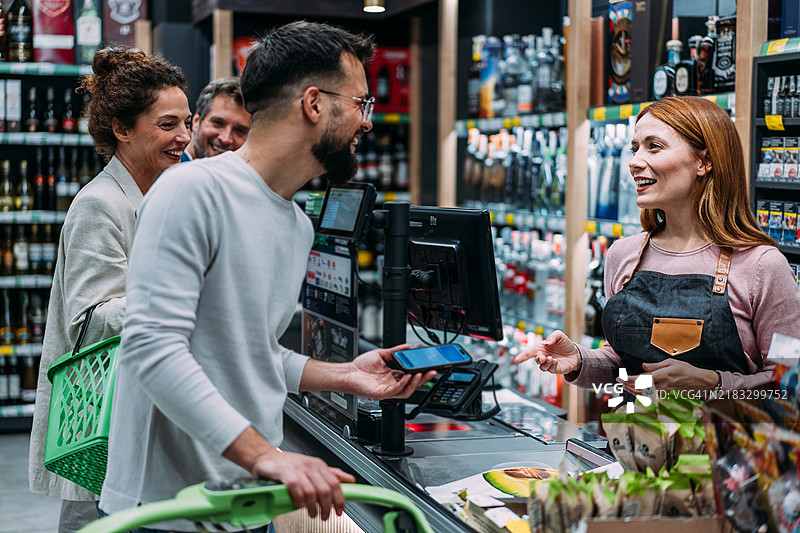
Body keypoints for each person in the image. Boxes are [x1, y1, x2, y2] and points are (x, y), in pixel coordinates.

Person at [98, 21, 435, 533]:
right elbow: (152, 347)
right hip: (165, 510)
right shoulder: (192, 190)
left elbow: (245, 353)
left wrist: (346, 375)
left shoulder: (297, 224)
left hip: (246, 503)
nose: (367, 122)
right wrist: (266, 456)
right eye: (360, 103)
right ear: (314, 103)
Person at [516, 96, 800, 395]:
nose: (634, 162)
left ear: (704, 162)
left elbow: (790, 382)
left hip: (720, 428)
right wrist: (580, 360)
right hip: (636, 426)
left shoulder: (762, 266)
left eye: (654, 146)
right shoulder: (624, 255)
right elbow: (624, 364)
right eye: (634, 148)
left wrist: (714, 384)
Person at [27, 48, 191, 533]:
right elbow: (92, 317)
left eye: (187, 122)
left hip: (135, 414)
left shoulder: (158, 194)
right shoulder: (100, 204)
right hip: (100, 420)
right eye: (167, 124)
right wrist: (185, 294)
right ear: (122, 128)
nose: (185, 137)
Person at [182, 76, 251, 161]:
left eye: (239, 130)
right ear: (196, 121)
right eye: (218, 123)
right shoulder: (170, 167)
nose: (226, 139)